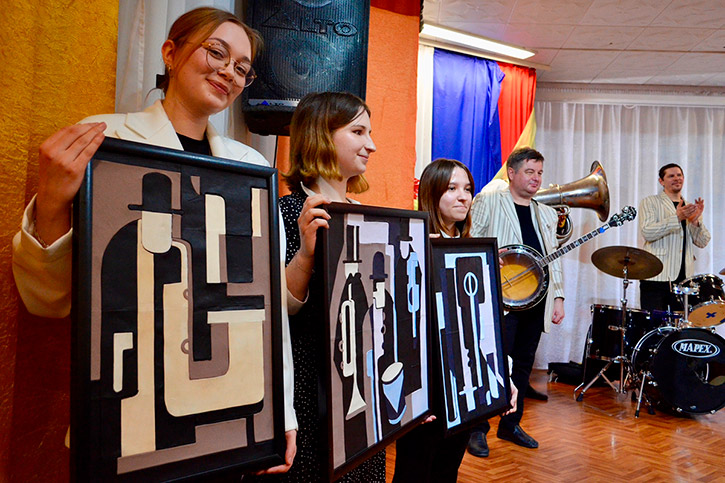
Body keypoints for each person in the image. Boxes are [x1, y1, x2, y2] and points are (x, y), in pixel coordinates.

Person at [11, 7, 297, 475]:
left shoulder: (251, 169)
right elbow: (48, 300)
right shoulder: (102, 140)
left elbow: (264, 307)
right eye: (217, 52)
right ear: (170, 52)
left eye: (242, 68)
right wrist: (53, 202)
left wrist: (278, 412)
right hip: (129, 415)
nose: (229, 72)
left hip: (226, 414)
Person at [269, 91, 385, 482]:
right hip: (311, 389)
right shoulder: (285, 212)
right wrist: (305, 253)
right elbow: (281, 308)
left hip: (362, 387)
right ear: (321, 135)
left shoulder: (365, 215)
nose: (371, 145)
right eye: (358, 132)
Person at [392, 159, 517, 482]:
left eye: (468, 189)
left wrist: (503, 376)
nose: (463, 196)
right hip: (427, 386)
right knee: (414, 471)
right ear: (432, 193)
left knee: (447, 471)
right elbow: (399, 328)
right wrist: (411, 394)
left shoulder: (475, 251)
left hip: (464, 386)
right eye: (452, 188)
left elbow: (485, 325)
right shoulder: (409, 249)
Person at [467, 147, 565, 453]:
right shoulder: (489, 200)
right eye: (529, 171)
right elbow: (470, 239)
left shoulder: (546, 213)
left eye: (540, 173)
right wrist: (487, 255)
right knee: (491, 363)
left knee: (523, 364)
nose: (536, 178)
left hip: (536, 301)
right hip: (500, 300)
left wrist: (559, 297)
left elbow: (553, 259)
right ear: (512, 173)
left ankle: (510, 424)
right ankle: (477, 428)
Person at [638, 163, 710, 311]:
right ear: (661, 181)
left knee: (680, 324)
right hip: (656, 277)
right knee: (655, 323)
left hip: (683, 281)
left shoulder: (689, 206)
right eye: (671, 176)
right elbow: (648, 232)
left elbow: (702, 242)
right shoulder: (650, 202)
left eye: (679, 175)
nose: (677, 178)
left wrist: (695, 221)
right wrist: (677, 218)